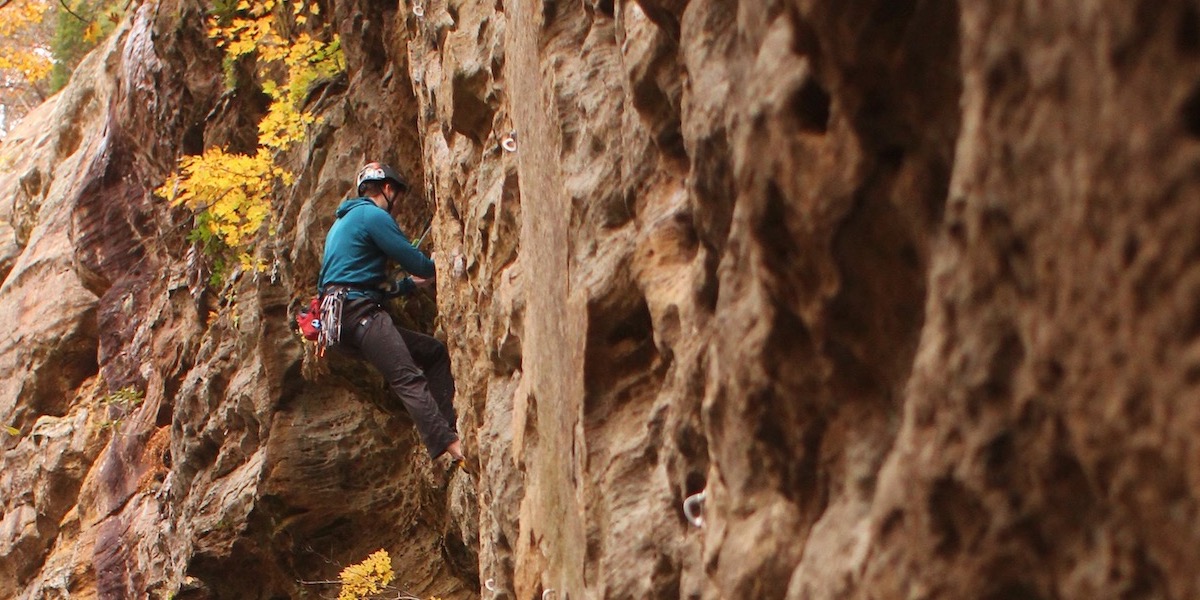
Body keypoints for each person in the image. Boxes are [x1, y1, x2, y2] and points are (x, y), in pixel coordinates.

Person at [317, 161, 464, 463]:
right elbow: (413, 259)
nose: (396, 206)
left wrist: (408, 285)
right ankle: (450, 445)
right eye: (396, 195)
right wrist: (434, 266)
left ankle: (449, 424)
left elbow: (366, 282)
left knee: (433, 352)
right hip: (360, 312)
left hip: (339, 322)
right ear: (387, 189)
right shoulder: (372, 215)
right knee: (407, 377)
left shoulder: (340, 225)